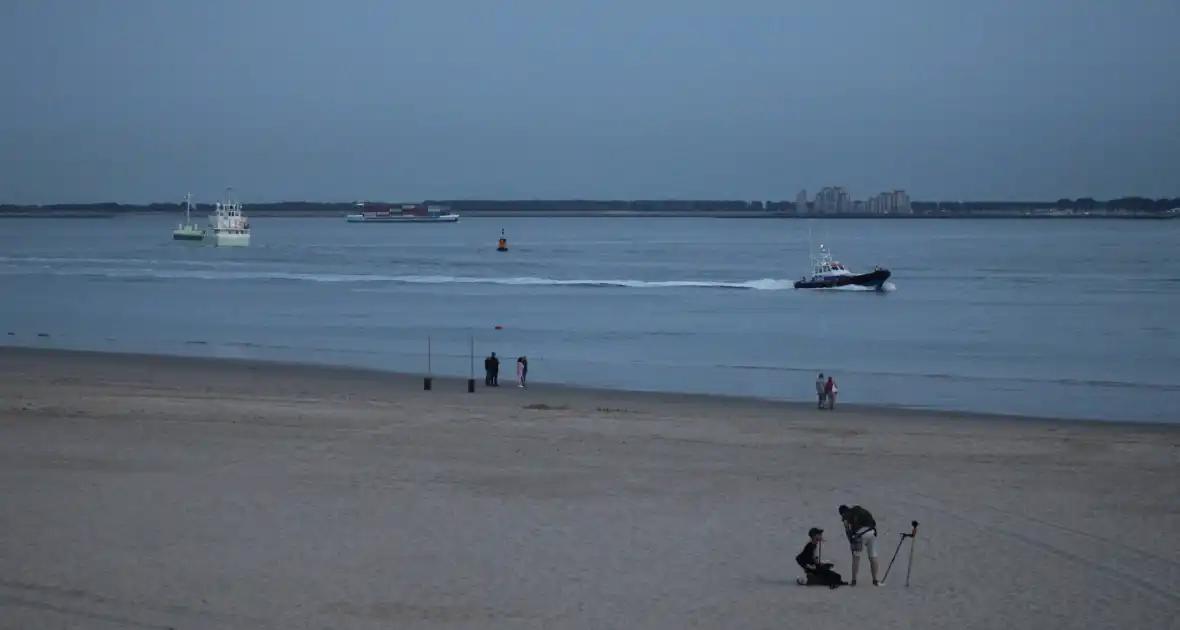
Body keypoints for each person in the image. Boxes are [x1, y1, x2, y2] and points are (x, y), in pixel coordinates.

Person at [839, 504, 880, 586]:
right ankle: (875, 580)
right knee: (873, 556)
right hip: (872, 532)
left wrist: (851, 541)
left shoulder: (846, 515)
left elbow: (847, 528)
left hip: (860, 534)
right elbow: (873, 522)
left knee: (856, 557)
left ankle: (854, 581)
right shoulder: (860, 510)